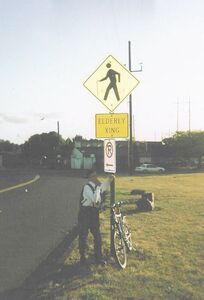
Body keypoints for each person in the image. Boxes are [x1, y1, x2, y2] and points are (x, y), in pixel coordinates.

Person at [78, 169, 114, 265]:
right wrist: (99, 188)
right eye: (93, 176)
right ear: (89, 178)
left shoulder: (96, 187)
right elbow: (94, 199)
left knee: (97, 236)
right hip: (85, 213)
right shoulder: (87, 187)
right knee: (83, 236)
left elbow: (103, 189)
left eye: (96, 175)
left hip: (93, 213)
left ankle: (99, 258)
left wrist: (109, 180)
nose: (95, 178)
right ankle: (82, 256)